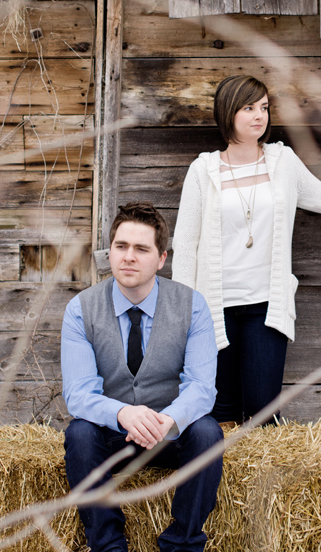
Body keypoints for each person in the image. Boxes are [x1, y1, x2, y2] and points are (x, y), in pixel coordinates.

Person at [172, 75, 321, 425]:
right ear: (228, 112)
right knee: (218, 409)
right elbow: (186, 246)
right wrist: (185, 314)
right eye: (249, 107)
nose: (259, 115)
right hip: (212, 310)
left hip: (265, 307)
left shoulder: (281, 161)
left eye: (265, 108)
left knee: (262, 412)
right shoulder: (203, 170)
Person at [61, 201, 223, 552]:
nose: (128, 257)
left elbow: (201, 388)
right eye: (121, 246)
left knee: (208, 432)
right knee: (80, 433)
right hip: (113, 438)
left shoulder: (192, 305)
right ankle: (107, 544)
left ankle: (182, 543)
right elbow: (77, 393)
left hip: (169, 437)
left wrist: (167, 420)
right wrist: (122, 414)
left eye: (141, 249)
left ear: (161, 258)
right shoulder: (81, 309)